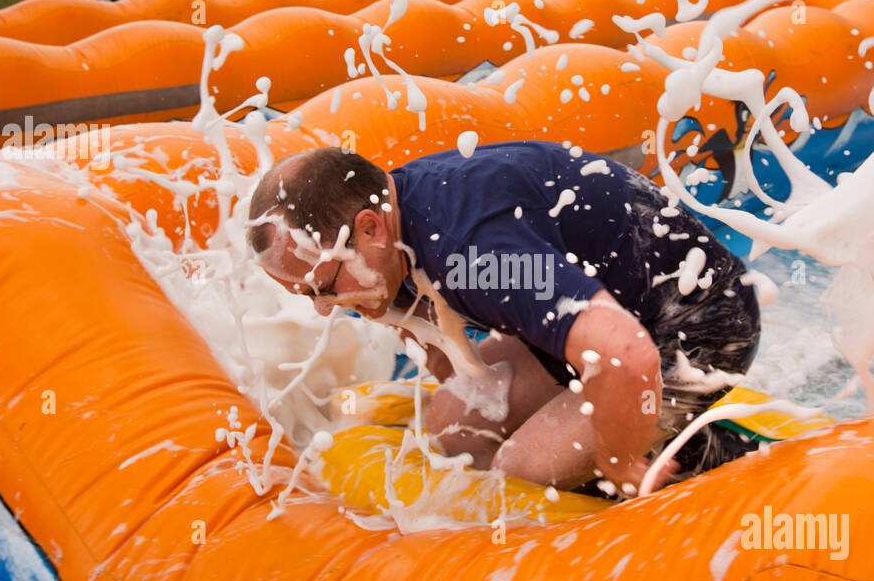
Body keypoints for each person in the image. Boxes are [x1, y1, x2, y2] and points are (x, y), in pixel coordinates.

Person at [247, 142, 761, 492]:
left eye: (324, 287)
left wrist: (617, 461)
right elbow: (437, 337)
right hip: (615, 301)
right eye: (306, 295)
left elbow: (626, 352)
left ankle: (701, 457)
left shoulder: (475, 257)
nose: (323, 307)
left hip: (694, 321)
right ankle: (615, 431)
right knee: (454, 425)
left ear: (368, 229)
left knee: (521, 469)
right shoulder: (387, 225)